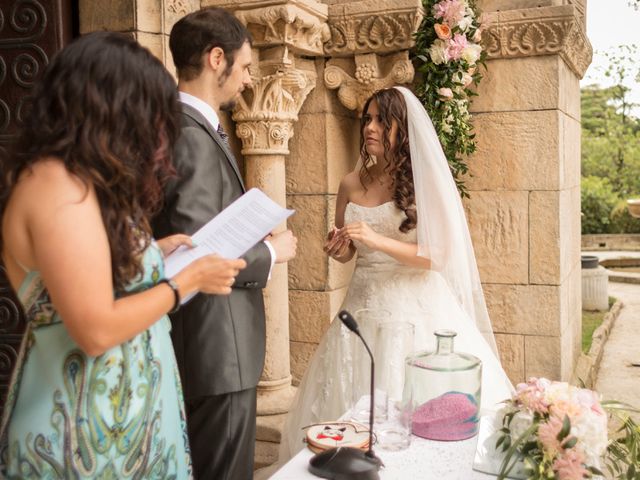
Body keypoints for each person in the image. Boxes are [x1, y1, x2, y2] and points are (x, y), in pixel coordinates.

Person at [0, 32, 247, 479]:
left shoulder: (83, 183)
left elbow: (89, 267)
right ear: (110, 105)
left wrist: (154, 251)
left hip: (132, 424)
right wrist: (185, 283)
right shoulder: (53, 185)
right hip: (80, 437)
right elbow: (94, 328)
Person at [279, 86, 514, 460]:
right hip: (360, 307)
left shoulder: (424, 183)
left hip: (415, 307)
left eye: (381, 121)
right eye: (367, 119)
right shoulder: (350, 183)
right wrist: (340, 249)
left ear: (401, 129)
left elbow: (438, 257)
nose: (370, 127)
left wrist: (377, 239)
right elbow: (350, 251)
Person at [152, 7, 297, 479]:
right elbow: (196, 246)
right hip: (217, 347)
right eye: (247, 65)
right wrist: (273, 252)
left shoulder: (187, 127)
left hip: (212, 346)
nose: (250, 79)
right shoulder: (189, 135)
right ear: (218, 59)